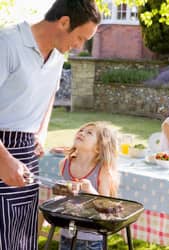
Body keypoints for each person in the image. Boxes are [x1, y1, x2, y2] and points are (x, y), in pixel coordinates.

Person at [0, 1, 101, 249]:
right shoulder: (7, 44)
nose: (80, 46)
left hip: (26, 150)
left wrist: (41, 131)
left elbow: (50, 94)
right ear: (64, 22)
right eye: (80, 37)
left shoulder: (57, 56)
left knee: (23, 236)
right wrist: (3, 159)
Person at [58, 122, 119, 250]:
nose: (81, 133)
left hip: (91, 238)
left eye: (89, 133)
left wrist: (90, 190)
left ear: (98, 148)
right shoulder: (65, 164)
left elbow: (106, 206)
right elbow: (63, 196)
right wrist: (63, 190)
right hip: (67, 232)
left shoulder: (103, 171)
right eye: (81, 130)